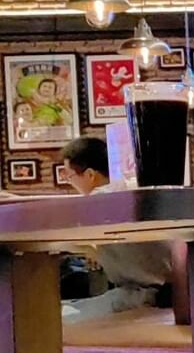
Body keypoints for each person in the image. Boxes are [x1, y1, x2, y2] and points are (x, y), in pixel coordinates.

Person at [58, 136, 172, 321]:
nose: (70, 183)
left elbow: (64, 221)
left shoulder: (101, 201)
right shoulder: (130, 192)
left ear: (90, 175)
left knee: (58, 319)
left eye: (70, 176)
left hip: (142, 298)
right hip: (156, 294)